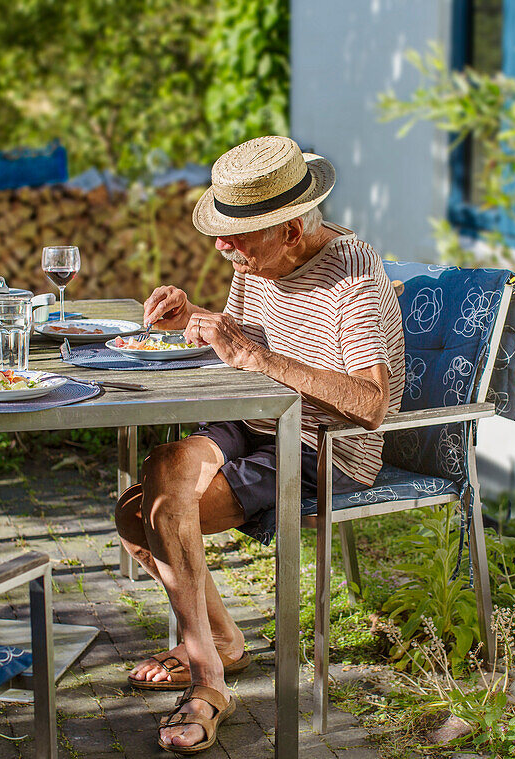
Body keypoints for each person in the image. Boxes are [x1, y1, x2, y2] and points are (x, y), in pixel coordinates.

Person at [114, 135, 405, 754]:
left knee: (152, 516)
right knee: (152, 485)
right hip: (259, 422)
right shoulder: (258, 264)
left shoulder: (354, 277)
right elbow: (245, 348)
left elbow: (371, 405)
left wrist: (255, 354)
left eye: (238, 235)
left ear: (292, 231)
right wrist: (193, 323)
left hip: (325, 447)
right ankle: (219, 645)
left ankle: (207, 682)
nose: (223, 247)